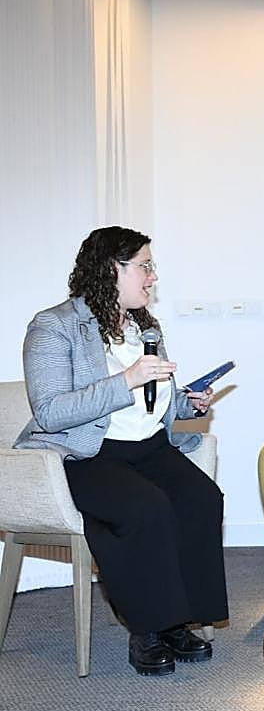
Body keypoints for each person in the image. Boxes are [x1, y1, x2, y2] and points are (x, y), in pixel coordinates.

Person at [16, 227, 227, 676]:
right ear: (111, 268)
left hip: (147, 448)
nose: (153, 277)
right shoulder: (54, 326)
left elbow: (154, 406)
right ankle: (148, 629)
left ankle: (178, 618)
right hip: (85, 454)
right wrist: (126, 379)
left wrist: (187, 402)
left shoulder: (145, 327)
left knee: (202, 498)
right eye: (144, 266)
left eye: (152, 267)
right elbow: (51, 412)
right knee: (144, 507)